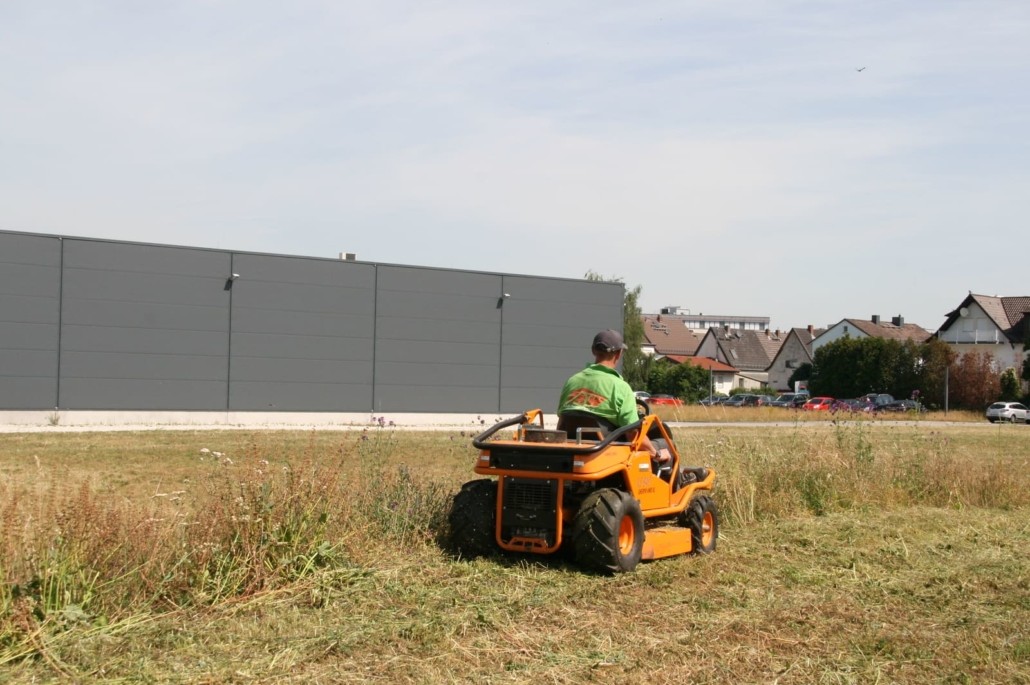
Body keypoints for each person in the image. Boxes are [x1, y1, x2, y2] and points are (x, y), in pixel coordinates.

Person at [557, 329, 670, 463]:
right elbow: (632, 435)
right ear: (619, 353)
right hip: (608, 455)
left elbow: (562, 420)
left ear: (593, 351)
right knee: (665, 444)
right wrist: (656, 454)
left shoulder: (572, 381)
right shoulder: (620, 387)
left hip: (572, 450)